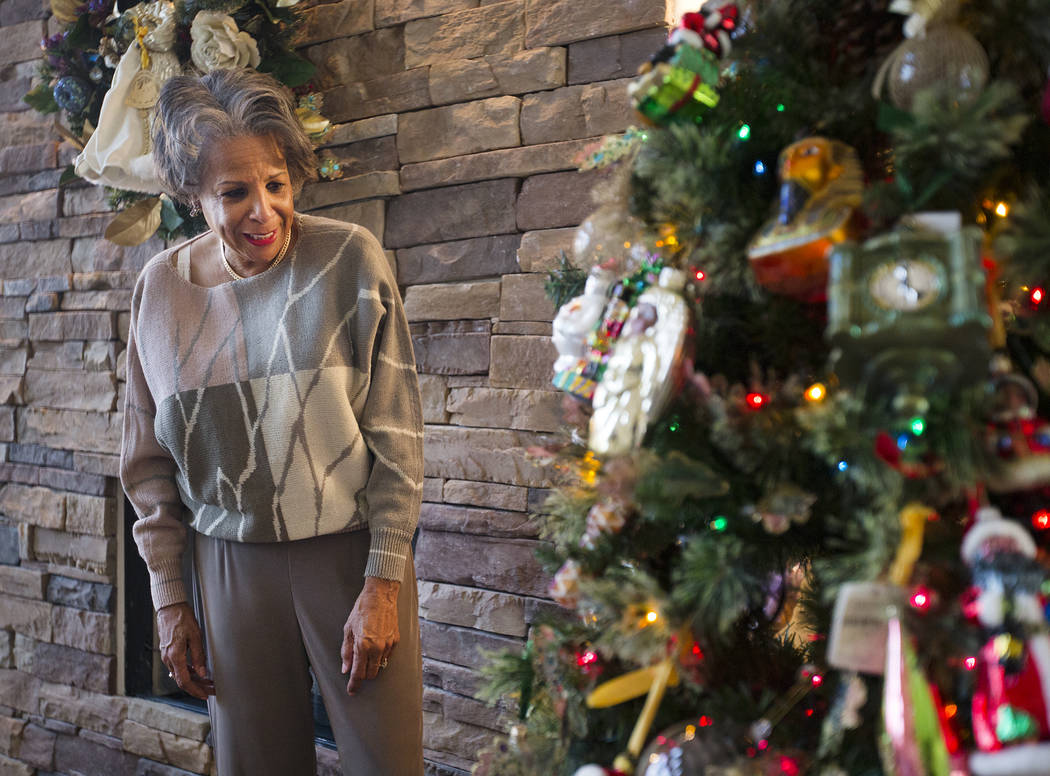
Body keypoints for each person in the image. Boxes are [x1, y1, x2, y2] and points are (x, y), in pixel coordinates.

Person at [119, 68, 424, 775]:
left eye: (276, 185)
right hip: (226, 567)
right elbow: (146, 466)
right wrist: (171, 599)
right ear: (192, 197)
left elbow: (399, 440)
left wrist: (383, 581)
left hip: (353, 559)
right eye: (234, 192)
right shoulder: (159, 292)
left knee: (388, 765)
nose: (263, 211)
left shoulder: (350, 259)